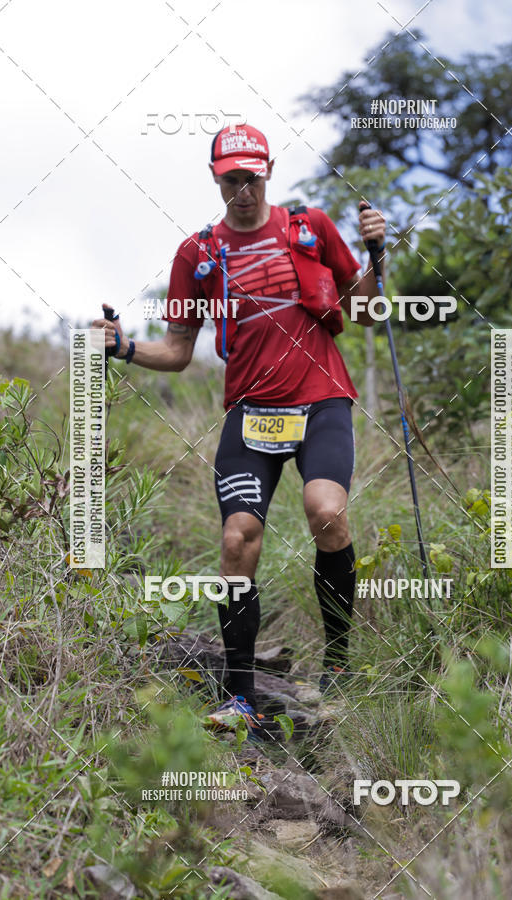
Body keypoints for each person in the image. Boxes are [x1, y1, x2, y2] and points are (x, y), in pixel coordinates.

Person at [93, 124, 385, 740]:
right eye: (232, 179)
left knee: (327, 512)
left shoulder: (310, 229)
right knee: (237, 539)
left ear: (269, 171)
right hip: (251, 411)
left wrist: (375, 258)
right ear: (216, 178)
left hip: (321, 399)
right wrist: (121, 346)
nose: (244, 189)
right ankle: (241, 697)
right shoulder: (196, 255)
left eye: (252, 176)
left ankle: (337, 668)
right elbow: (176, 351)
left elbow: (360, 309)